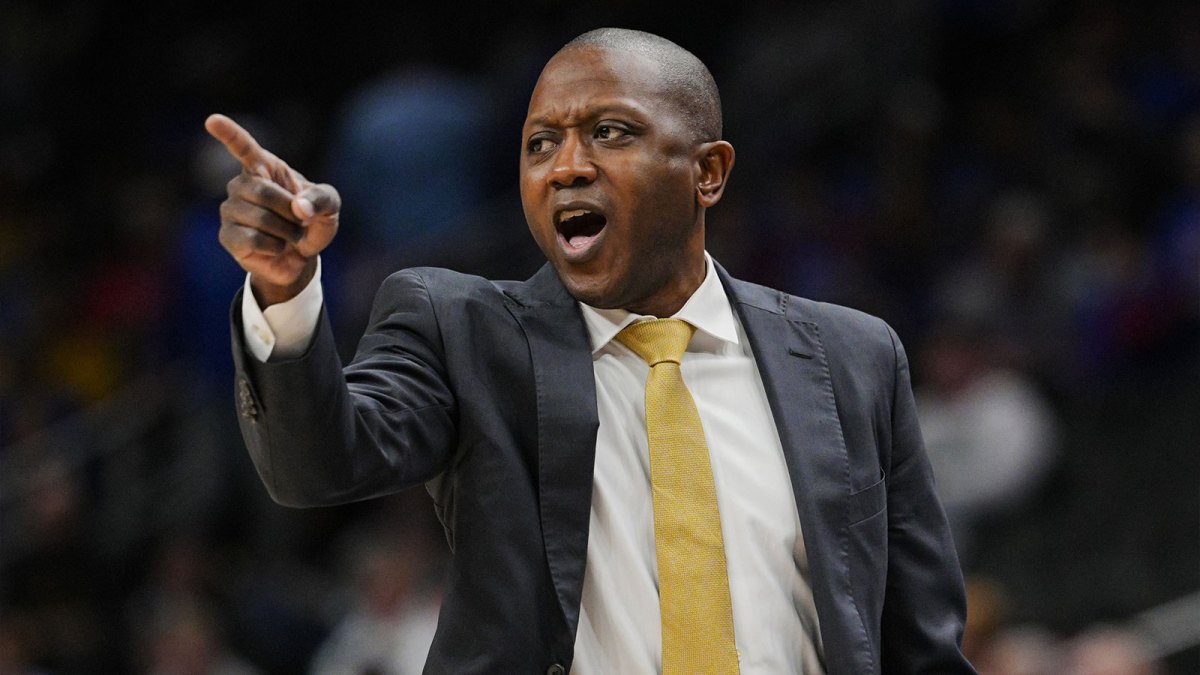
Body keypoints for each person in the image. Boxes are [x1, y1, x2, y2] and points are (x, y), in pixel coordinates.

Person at [206, 28, 974, 674]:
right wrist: (285, 288)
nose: (566, 164)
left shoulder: (855, 359)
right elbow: (315, 465)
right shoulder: (462, 328)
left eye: (611, 132)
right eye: (541, 142)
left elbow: (921, 647)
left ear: (708, 172)